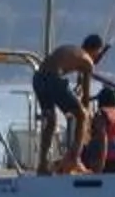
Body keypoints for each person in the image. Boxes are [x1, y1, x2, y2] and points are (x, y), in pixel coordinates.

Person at [31, 33, 107, 173]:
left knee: (51, 121)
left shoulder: (74, 51)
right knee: (82, 116)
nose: (98, 58)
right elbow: (85, 97)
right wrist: (86, 120)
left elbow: (75, 79)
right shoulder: (88, 62)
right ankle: (74, 159)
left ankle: (42, 164)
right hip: (52, 78)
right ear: (97, 50)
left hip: (38, 79)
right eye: (99, 54)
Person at [75, 84, 115, 174]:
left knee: (80, 150)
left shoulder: (101, 115)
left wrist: (100, 166)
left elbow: (103, 139)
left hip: (105, 161)